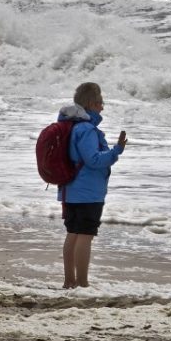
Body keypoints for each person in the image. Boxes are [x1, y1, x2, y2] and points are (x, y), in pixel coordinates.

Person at [58, 82, 126, 289]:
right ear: (90, 104)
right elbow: (93, 160)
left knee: (73, 233)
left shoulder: (71, 125)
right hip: (87, 192)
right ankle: (82, 282)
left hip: (70, 189)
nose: (102, 108)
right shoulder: (87, 129)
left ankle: (69, 281)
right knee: (85, 235)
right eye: (99, 103)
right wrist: (116, 151)